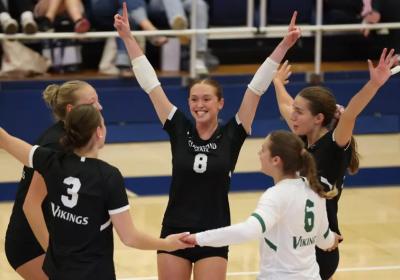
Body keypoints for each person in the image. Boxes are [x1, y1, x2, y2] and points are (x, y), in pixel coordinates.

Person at [115, 2, 301, 279]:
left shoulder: (233, 133)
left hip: (214, 233)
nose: (199, 105)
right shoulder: (178, 126)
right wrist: (129, 39)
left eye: (206, 99)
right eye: (193, 99)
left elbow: (256, 88)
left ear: (220, 103)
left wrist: (284, 45)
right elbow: (151, 84)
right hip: (174, 230)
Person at [0, 104, 192, 280]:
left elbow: (6, 141)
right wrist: (168, 244)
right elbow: (130, 237)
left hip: (58, 271)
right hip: (94, 273)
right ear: (99, 132)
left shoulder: (51, 162)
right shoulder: (108, 176)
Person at [272, 48, 397, 279]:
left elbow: (350, 113)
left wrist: (374, 84)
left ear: (318, 118)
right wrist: (277, 82)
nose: (293, 116)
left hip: (323, 245)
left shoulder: (335, 144)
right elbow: (285, 105)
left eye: (300, 112)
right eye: (295, 112)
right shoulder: (301, 138)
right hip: (296, 242)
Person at [183, 130, 343, 280]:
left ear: (276, 160)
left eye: (263, 150)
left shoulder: (276, 195)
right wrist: (332, 240)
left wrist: (198, 238)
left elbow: (248, 231)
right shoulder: (314, 189)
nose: (259, 154)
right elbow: (324, 239)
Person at [5, 80, 103, 280]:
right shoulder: (56, 146)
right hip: (30, 244)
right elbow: (31, 205)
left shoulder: (75, 138)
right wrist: (55, 255)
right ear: (71, 109)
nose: (100, 107)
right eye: (93, 102)